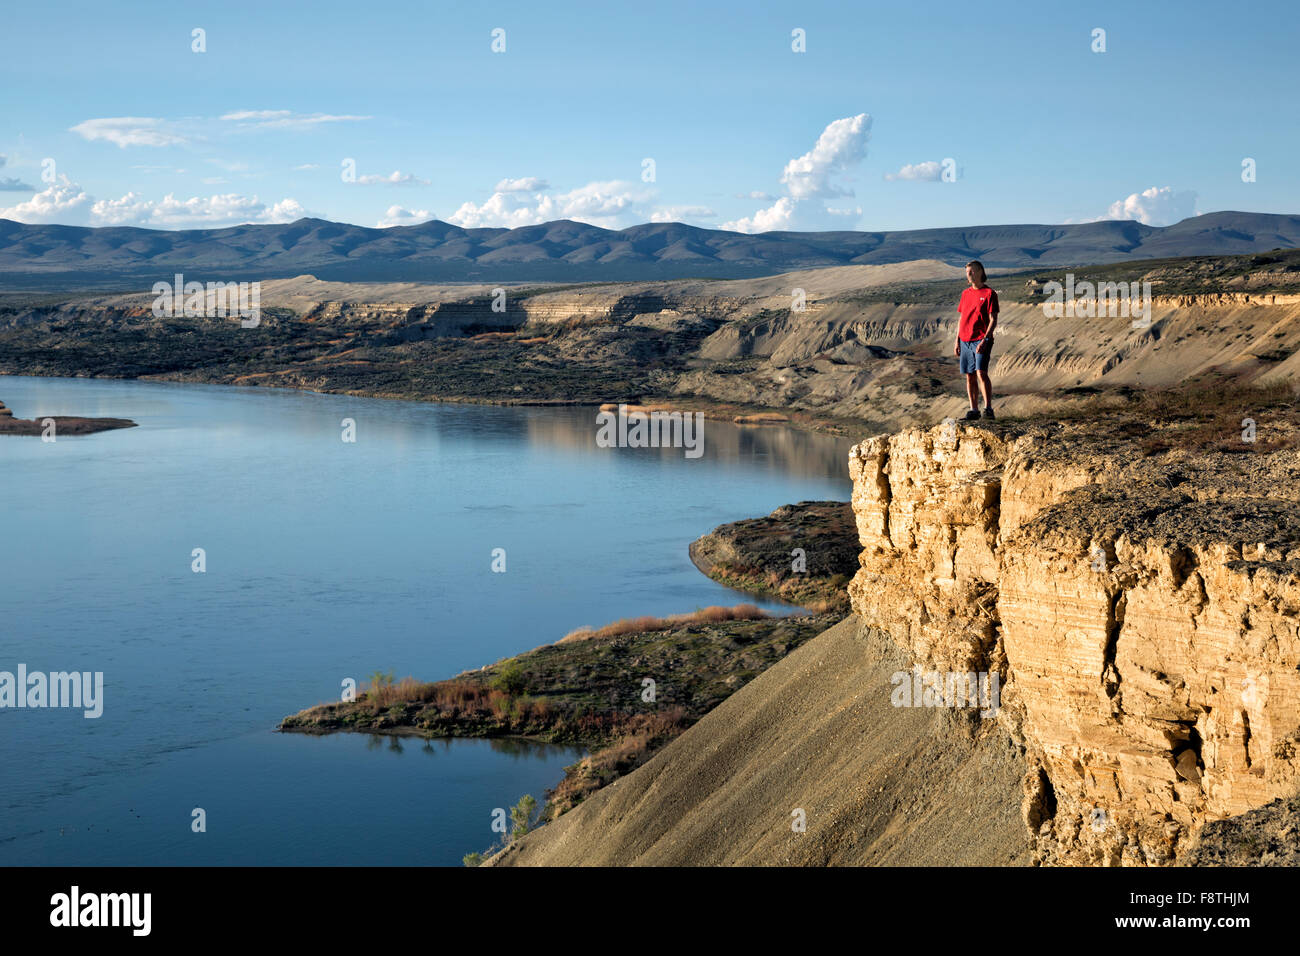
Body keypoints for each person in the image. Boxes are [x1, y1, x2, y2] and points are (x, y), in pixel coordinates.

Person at [954, 259, 998, 420]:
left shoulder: (989, 294)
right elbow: (962, 318)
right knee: (969, 375)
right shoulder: (965, 294)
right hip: (965, 339)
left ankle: (988, 409)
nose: (969, 274)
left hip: (981, 339)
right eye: (967, 272)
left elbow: (993, 319)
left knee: (981, 372)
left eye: (972, 271)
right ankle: (974, 410)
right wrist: (957, 340)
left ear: (980, 272)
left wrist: (985, 340)